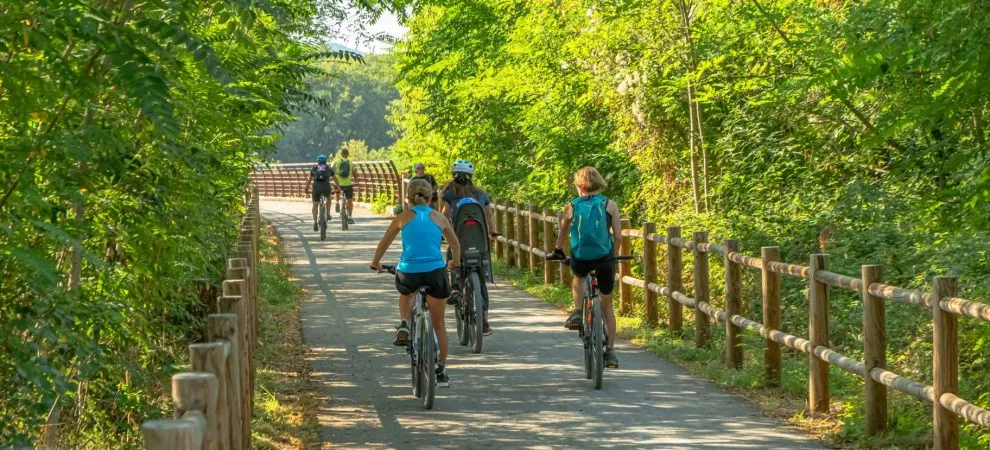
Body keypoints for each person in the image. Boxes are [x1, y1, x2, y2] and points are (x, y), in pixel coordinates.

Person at [371, 179, 461, 388]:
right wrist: (454, 265)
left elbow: (384, 243)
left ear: (408, 198)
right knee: (439, 325)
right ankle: (441, 370)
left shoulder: (402, 217)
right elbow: (456, 245)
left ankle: (404, 323)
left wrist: (376, 263)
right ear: (431, 197)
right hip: (436, 273)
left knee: (407, 291)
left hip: (409, 271)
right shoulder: (439, 218)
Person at [550, 167, 623, 369]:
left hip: (581, 257)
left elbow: (563, 235)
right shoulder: (610, 205)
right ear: (598, 183)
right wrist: (613, 256)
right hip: (605, 259)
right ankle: (610, 352)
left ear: (579, 185)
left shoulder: (571, 206)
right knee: (607, 304)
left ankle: (576, 310)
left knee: (579, 278)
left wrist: (557, 250)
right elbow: (618, 237)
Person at [439, 159, 496, 334]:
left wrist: (441, 233)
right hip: (479, 242)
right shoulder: (481, 194)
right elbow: (489, 218)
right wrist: (491, 233)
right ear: (471, 176)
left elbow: (444, 216)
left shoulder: (449, 194)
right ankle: (484, 321)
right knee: (481, 270)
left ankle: (455, 286)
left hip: (459, 240)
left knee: (452, 253)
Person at [306, 154, 335, 231]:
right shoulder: (329, 169)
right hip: (326, 188)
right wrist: (338, 188)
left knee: (315, 204)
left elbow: (309, 180)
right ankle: (328, 214)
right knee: (328, 198)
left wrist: (306, 189)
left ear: (318, 162)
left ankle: (315, 222)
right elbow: (335, 179)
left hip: (316, 188)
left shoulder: (314, 169)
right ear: (326, 161)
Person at [332, 148, 356, 224]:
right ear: (348, 154)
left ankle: (337, 202)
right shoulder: (351, 163)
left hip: (338, 183)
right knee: (350, 200)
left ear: (341, 154)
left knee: (337, 191)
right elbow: (354, 173)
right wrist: (356, 180)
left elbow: (331, 170)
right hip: (348, 184)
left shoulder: (336, 162)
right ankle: (350, 217)